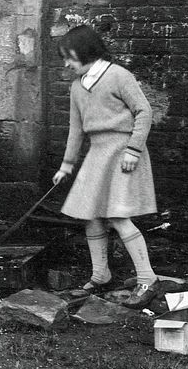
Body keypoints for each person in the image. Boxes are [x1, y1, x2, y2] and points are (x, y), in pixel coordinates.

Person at [52, 24, 157, 308]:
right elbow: (76, 129)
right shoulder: (76, 87)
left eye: (70, 56)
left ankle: (148, 279)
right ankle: (101, 274)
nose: (66, 63)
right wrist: (67, 164)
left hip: (123, 151)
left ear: (87, 51)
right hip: (98, 153)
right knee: (92, 216)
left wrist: (134, 149)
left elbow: (144, 111)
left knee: (118, 216)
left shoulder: (118, 75)